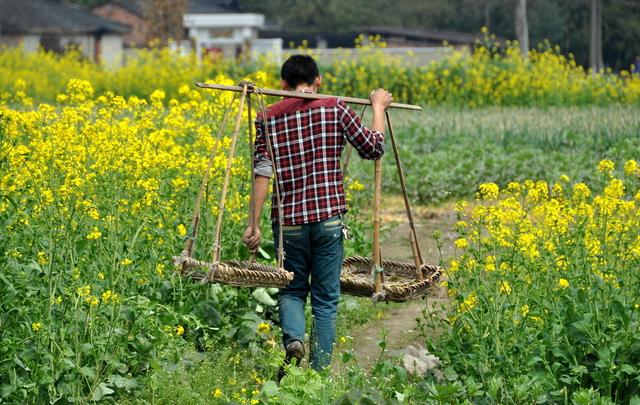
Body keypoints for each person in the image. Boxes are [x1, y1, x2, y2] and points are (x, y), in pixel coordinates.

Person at [242, 54, 392, 378]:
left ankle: (294, 340)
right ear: (318, 80)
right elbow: (373, 148)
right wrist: (378, 107)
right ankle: (317, 375)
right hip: (328, 221)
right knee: (325, 301)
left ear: (283, 85)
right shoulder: (335, 107)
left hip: (289, 224)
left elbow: (262, 173)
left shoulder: (267, 116)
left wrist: (252, 224)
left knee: (292, 290)